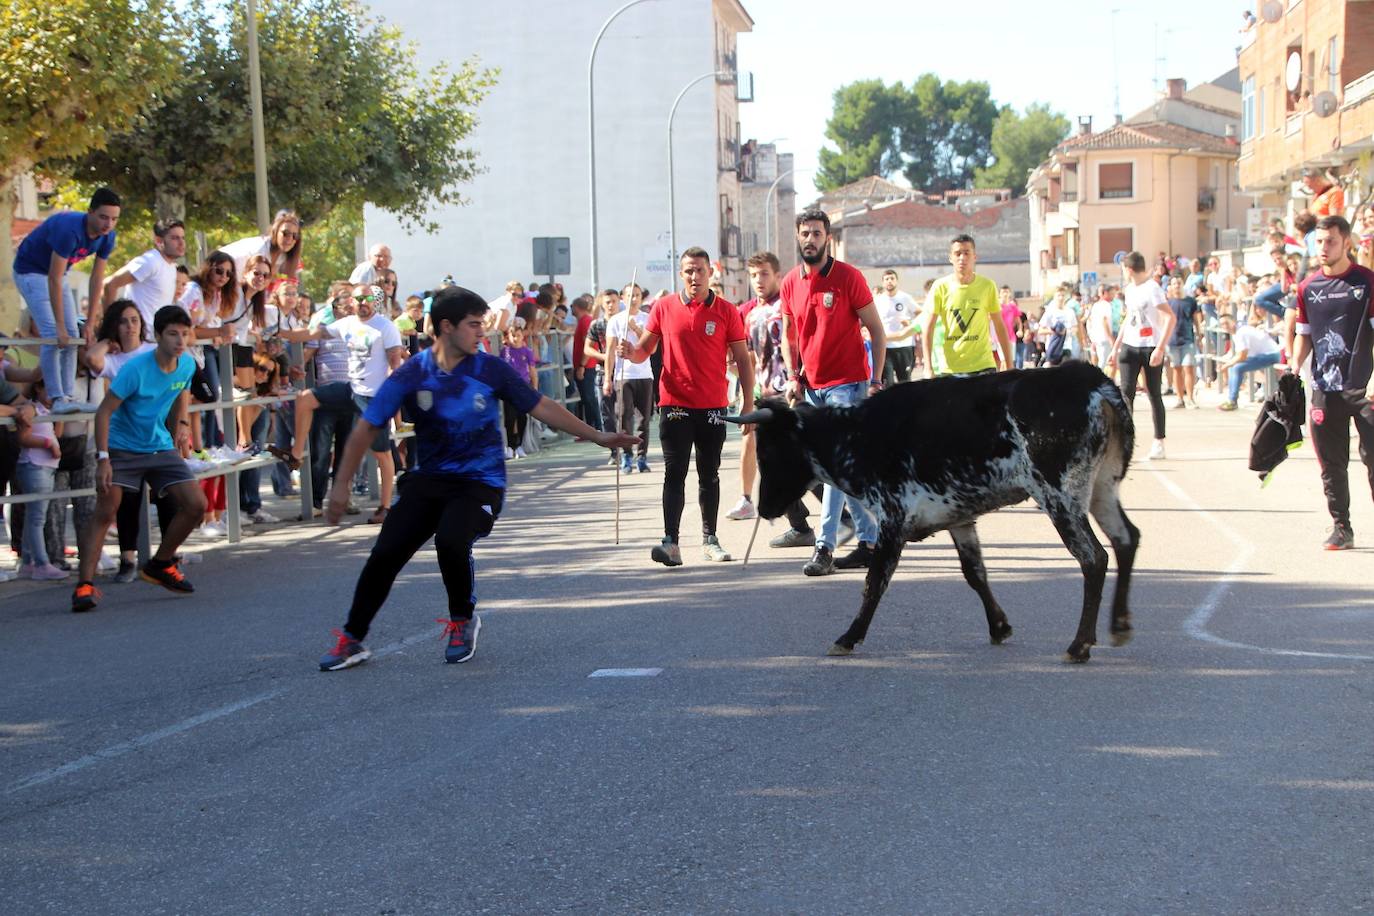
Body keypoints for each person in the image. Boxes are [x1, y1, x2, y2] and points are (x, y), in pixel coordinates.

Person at [316, 286, 639, 670]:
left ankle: (462, 620)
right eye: (474, 325)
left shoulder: (490, 368)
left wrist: (598, 435)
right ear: (447, 326)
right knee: (386, 552)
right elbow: (366, 428)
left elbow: (542, 406)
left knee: (452, 539)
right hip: (430, 478)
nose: (481, 333)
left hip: (480, 481)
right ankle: (352, 638)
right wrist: (339, 486)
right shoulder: (414, 372)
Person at [619, 247, 754, 566]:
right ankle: (671, 543)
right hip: (675, 404)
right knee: (674, 473)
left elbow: (744, 361)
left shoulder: (726, 311)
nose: (695, 276)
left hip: (713, 406)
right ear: (681, 274)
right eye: (689, 271)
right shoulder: (664, 308)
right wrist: (629, 351)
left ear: (711, 273)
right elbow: (643, 352)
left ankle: (711, 539)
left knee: (710, 474)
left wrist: (748, 403)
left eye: (700, 270)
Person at [71, 306, 208, 613]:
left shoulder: (186, 364)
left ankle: (160, 564)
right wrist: (103, 458)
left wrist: (182, 426)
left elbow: (182, 393)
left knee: (196, 505)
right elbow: (104, 411)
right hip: (122, 448)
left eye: (184, 334)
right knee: (106, 512)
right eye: (173, 334)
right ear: (157, 336)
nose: (180, 340)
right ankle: (84, 585)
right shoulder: (135, 369)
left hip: (159, 447)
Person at [779, 208, 885, 575]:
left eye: (817, 233)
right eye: (805, 233)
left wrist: (875, 381)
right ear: (798, 237)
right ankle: (870, 542)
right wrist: (794, 375)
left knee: (832, 465)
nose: (810, 239)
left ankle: (824, 546)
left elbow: (876, 329)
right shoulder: (790, 282)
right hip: (813, 387)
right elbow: (790, 335)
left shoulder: (848, 277)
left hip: (848, 382)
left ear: (828, 238)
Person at [279, 283, 405, 524]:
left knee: (382, 454)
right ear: (352, 302)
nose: (363, 303)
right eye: (358, 299)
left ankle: (385, 507)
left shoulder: (385, 327)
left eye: (367, 298)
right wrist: (280, 334)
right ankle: (296, 454)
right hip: (350, 389)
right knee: (305, 398)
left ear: (375, 301)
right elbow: (312, 334)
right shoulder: (346, 324)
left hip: (373, 395)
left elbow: (394, 365)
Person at [1290, 215, 1374, 550]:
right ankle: (1342, 528)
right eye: (1319, 242)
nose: (1323, 248)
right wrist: (1294, 367)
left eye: (1330, 241)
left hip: (1365, 387)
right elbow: (1304, 336)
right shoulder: (1307, 288)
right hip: (1324, 388)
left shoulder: (1367, 282)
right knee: (1331, 464)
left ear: (1346, 243)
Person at [10, 187, 121, 414]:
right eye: (103, 217)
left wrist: (89, 323)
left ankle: (68, 396)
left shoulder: (107, 237)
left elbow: (97, 278)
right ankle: (56, 396)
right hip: (30, 271)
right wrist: (59, 326)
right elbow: (53, 277)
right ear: (89, 212)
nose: (108, 224)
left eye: (113, 219)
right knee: (54, 333)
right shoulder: (69, 230)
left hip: (56, 275)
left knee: (73, 334)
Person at [727, 251, 784, 521]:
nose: (758, 280)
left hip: (787, 388)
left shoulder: (786, 306)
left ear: (777, 276)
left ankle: (838, 511)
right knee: (749, 441)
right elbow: (746, 358)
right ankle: (746, 498)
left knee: (792, 453)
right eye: (753, 275)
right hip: (760, 390)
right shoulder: (746, 312)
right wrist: (744, 393)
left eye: (764, 274)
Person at [1108, 251, 1176, 461]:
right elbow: (1129, 319)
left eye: (1123, 270)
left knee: (1153, 393)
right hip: (1130, 345)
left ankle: (1159, 442)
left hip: (1150, 346)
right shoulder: (1129, 290)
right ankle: (1124, 444)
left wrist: (1160, 348)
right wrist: (1116, 346)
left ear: (1129, 269)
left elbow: (1169, 317)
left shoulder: (1152, 289)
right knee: (1126, 394)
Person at [921, 234, 1013, 379]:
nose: (962, 258)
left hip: (983, 365)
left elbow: (999, 325)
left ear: (975, 256)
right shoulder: (940, 287)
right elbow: (928, 327)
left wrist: (1009, 364)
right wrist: (928, 367)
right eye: (957, 254)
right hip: (951, 368)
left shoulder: (987, 286)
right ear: (950, 258)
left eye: (966, 253)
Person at [101, 218, 186, 330]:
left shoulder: (172, 267)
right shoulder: (150, 261)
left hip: (157, 338)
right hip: (139, 339)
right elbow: (109, 284)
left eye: (182, 238)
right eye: (175, 238)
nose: (181, 243)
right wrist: (110, 326)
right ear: (159, 241)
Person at [604, 283, 654, 473]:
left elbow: (651, 347)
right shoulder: (616, 321)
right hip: (624, 375)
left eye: (637, 295)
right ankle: (626, 455)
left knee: (644, 420)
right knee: (624, 416)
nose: (633, 299)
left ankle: (642, 456)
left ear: (641, 298)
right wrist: (608, 378)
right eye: (630, 295)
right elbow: (610, 351)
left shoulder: (647, 319)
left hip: (644, 374)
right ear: (623, 298)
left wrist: (637, 329)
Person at [1217, 307, 1282, 411]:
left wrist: (1226, 365)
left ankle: (1232, 400)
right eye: (1222, 324)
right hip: (1263, 355)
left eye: (1226, 323)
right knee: (1234, 367)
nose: (1225, 326)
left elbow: (1242, 356)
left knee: (1236, 368)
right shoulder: (1238, 332)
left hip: (1271, 355)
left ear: (1233, 321)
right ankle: (1231, 398)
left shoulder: (1241, 332)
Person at [221, 209, 303, 282]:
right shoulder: (259, 250)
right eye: (285, 233)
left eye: (295, 236)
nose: (289, 239)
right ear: (275, 232)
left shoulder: (284, 256)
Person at [499, 321, 538, 457]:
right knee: (510, 417)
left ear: (522, 336)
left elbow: (532, 371)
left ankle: (520, 445)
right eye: (513, 335)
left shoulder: (527, 352)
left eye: (518, 335)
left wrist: (534, 387)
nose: (515, 338)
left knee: (522, 417)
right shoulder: (505, 351)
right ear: (508, 337)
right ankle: (510, 445)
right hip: (508, 387)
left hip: (523, 386)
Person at [873, 269, 919, 385]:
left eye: (892, 278)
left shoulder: (905, 298)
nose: (889, 281)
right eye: (887, 279)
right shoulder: (878, 300)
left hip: (904, 345)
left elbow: (920, 313)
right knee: (888, 383)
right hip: (885, 346)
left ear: (897, 281)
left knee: (905, 383)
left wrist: (911, 324)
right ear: (883, 283)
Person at [1165, 276, 1203, 409]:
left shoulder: (1190, 301)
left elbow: (1196, 320)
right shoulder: (1168, 303)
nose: (1177, 285)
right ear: (1171, 286)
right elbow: (1163, 321)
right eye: (1174, 283)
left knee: (1189, 368)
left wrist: (1199, 335)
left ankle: (1190, 398)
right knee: (1176, 369)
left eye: (1179, 283)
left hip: (1187, 339)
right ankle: (1179, 398)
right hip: (1172, 340)